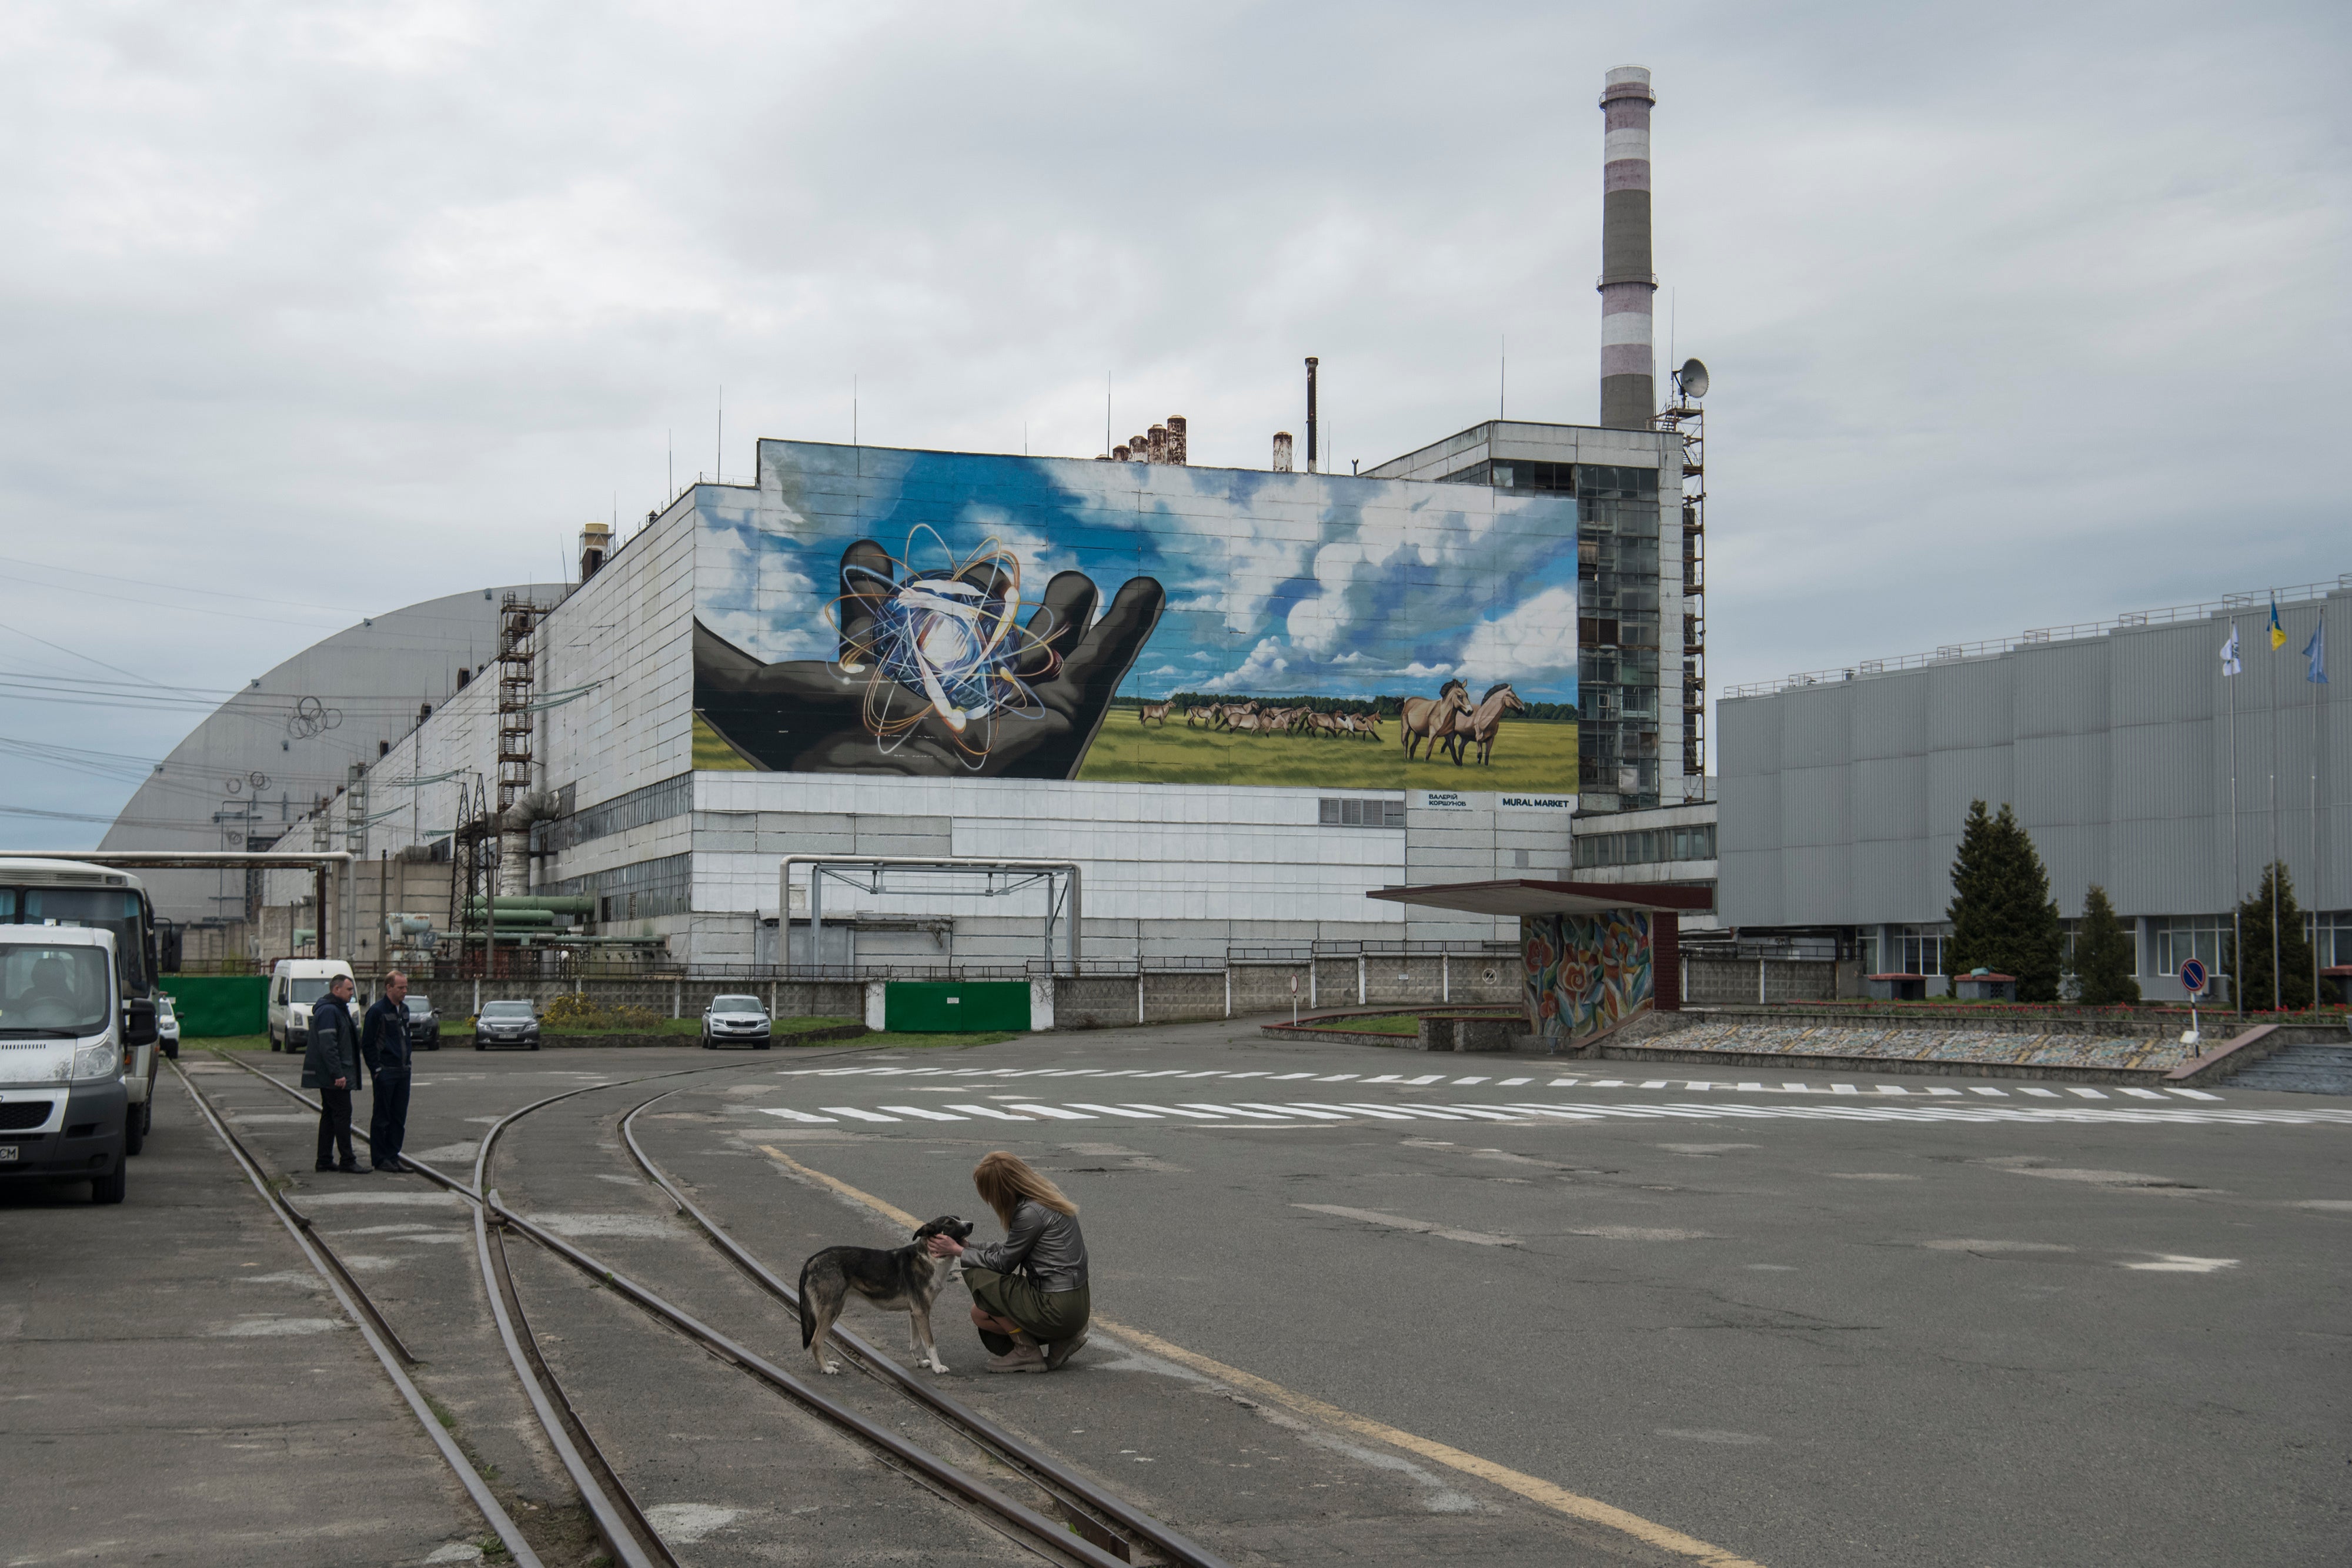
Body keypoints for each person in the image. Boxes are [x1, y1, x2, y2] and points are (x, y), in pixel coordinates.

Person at [926, 1150, 1089, 1374]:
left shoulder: (1029, 1213)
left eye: (989, 1194)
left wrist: (958, 1252)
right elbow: (1009, 1249)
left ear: (1001, 1190)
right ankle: (1063, 1340)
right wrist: (968, 1248)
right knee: (980, 1313)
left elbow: (1003, 1263)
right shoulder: (1044, 1198)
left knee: (977, 1274)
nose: (991, 1201)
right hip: (1076, 1305)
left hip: (1057, 1307)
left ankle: (1026, 1350)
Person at [302, 975, 366, 1174]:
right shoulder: (330, 1011)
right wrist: (338, 1074)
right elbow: (329, 1046)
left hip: (332, 1074)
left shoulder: (336, 1009)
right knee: (342, 1115)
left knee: (330, 1116)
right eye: (348, 990)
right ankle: (347, 1160)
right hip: (334, 1076)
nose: (351, 993)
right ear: (336, 989)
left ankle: (324, 1160)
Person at [360, 970, 413, 1172]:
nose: (404, 991)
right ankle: (380, 1159)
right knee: (383, 1117)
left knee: (399, 1117)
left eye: (406, 987)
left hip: (403, 1071)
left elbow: (405, 1039)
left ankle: (393, 1156)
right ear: (389, 987)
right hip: (386, 1072)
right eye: (400, 987)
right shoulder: (377, 1011)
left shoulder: (405, 1010)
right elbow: (368, 1044)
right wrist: (376, 1069)